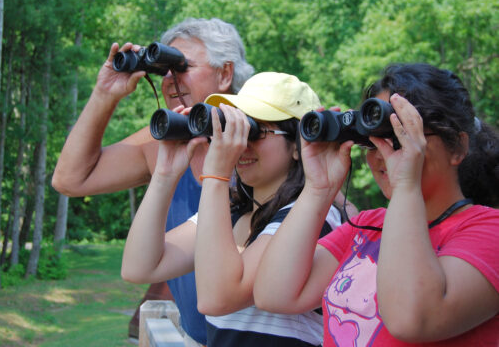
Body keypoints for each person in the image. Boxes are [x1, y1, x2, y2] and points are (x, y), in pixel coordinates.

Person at [254, 63, 499, 346]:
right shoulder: (368, 226)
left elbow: (411, 319)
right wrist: (318, 188)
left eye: (401, 136)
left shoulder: (488, 231)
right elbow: (274, 293)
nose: (383, 153)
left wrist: (406, 184)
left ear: (457, 147)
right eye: (372, 142)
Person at [52, 17, 255, 345]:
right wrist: (105, 94)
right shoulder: (163, 144)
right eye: (164, 70)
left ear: (225, 73)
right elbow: (69, 180)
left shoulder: (265, 144)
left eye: (182, 66)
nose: (170, 80)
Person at [121, 72, 351, 346]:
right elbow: (139, 266)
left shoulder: (313, 217)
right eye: (234, 128)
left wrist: (216, 175)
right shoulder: (234, 212)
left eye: (255, 130)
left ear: (299, 145)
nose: (241, 143)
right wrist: (165, 174)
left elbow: (217, 298)